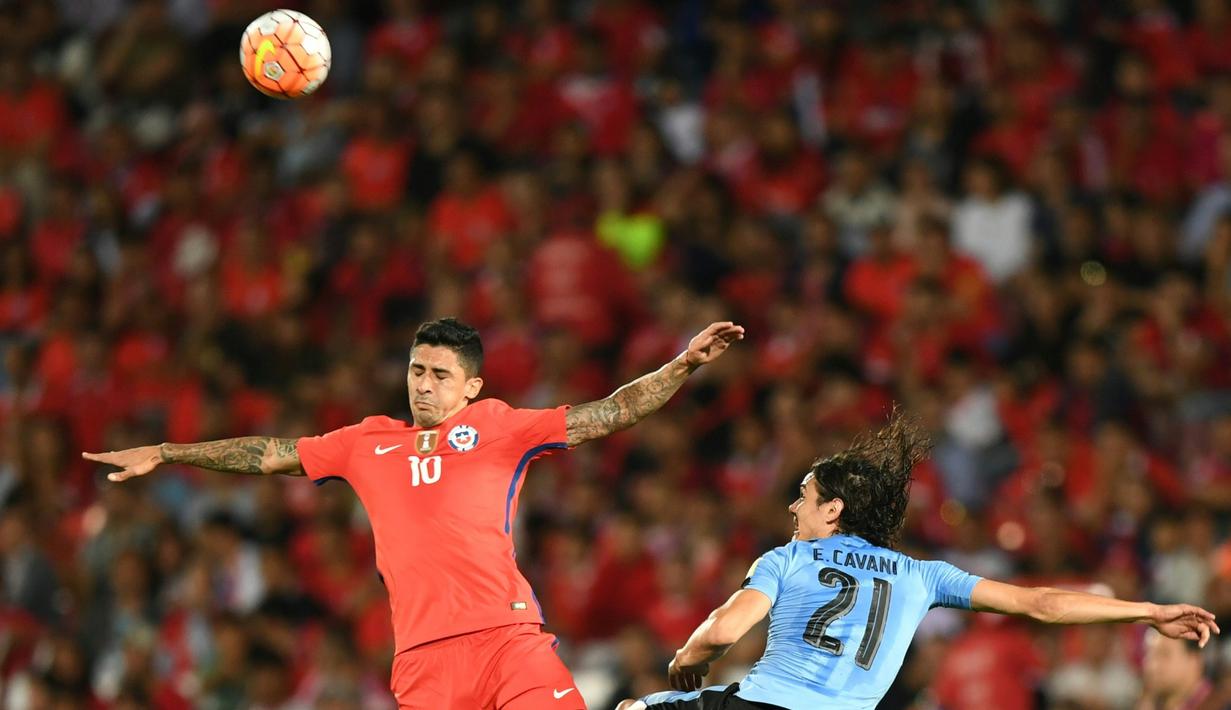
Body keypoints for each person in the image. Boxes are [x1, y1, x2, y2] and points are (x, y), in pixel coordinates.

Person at [84, 316, 745, 710]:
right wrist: (168, 452)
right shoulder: (365, 441)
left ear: (472, 387)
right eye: (416, 370)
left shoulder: (500, 426)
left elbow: (610, 412)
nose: (423, 384)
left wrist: (681, 364)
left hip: (507, 639)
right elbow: (268, 453)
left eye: (438, 374)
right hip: (424, 659)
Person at [617, 412, 1219, 710]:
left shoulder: (790, 557)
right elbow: (1042, 604)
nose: (792, 506)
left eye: (803, 495)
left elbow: (720, 631)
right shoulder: (924, 574)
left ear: (832, 512)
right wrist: (1148, 610)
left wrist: (683, 662)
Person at [1136, 630, 1217, 710]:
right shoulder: (1151, 703)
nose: (1152, 666)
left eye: (1164, 654)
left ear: (1195, 660)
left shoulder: (1220, 703)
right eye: (1148, 653)